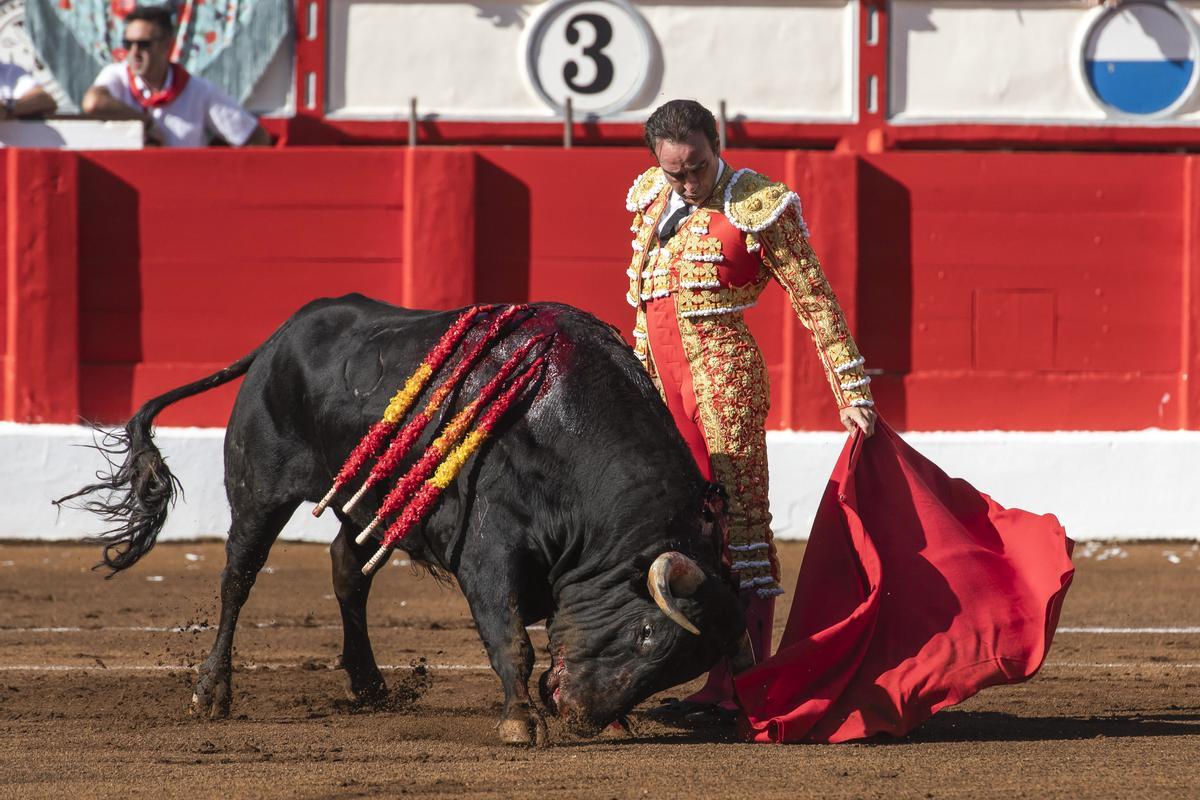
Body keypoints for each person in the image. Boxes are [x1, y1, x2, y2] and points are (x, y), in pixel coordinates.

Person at [624, 99, 876, 720]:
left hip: (724, 382)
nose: (686, 182)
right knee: (676, 526)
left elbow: (814, 297)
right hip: (661, 386)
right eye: (674, 171)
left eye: (696, 167)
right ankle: (688, 670)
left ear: (718, 142)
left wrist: (852, 391)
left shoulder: (758, 203)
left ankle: (743, 681)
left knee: (738, 527)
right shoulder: (654, 199)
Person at [80, 5, 269, 148]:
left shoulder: (198, 91)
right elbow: (93, 103)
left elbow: (256, 137)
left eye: (144, 44)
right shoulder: (117, 75)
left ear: (166, 46)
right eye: (128, 44)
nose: (134, 53)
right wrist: (144, 123)